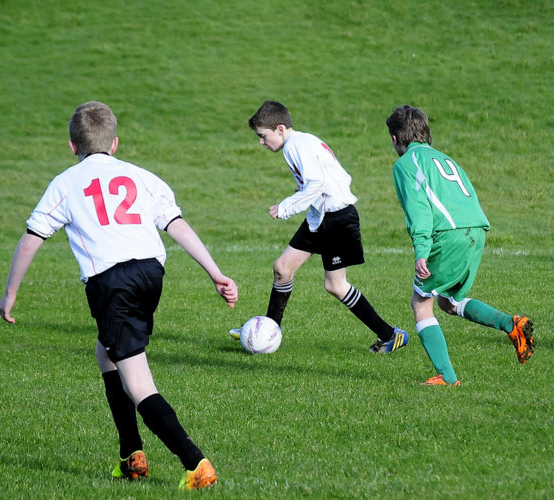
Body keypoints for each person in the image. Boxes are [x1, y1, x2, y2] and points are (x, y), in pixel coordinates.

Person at [0, 101, 238, 490]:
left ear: (72, 146)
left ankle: (196, 464)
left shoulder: (65, 182)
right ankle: (131, 455)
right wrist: (215, 273)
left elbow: (31, 240)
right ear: (114, 143)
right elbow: (176, 225)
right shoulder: (143, 176)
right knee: (106, 351)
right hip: (150, 273)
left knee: (139, 381)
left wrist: (10, 294)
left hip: (112, 281)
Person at [229, 100, 408, 353]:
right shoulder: (300, 142)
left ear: (279, 129)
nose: (261, 142)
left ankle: (391, 335)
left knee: (335, 285)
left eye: (263, 136)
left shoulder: (296, 145)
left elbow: (316, 183)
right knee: (282, 268)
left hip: (337, 218)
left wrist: (286, 207)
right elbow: (326, 179)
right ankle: (266, 332)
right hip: (320, 215)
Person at [386, 104, 534, 385]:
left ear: (395, 138)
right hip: (477, 231)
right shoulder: (445, 158)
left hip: (449, 235)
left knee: (421, 302)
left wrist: (422, 251)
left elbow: (419, 210)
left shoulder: (406, 164)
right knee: (449, 302)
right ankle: (511, 324)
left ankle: (447, 376)